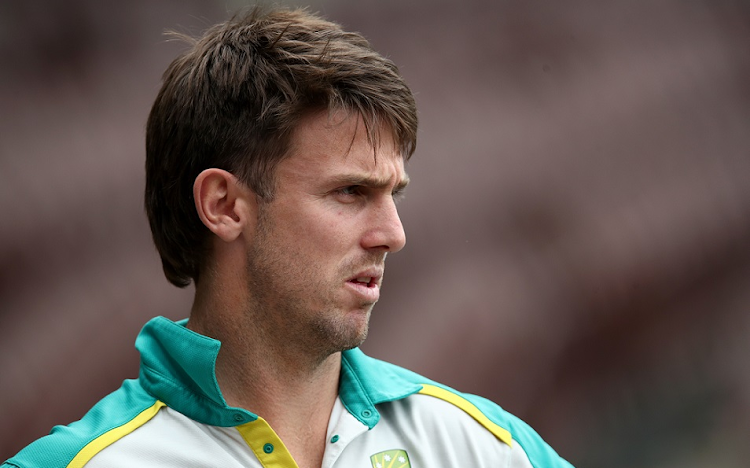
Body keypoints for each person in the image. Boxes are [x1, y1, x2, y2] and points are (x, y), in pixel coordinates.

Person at [4, 7, 573, 468]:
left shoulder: (483, 448)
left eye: (392, 195)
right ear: (224, 206)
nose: (392, 235)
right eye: (350, 192)